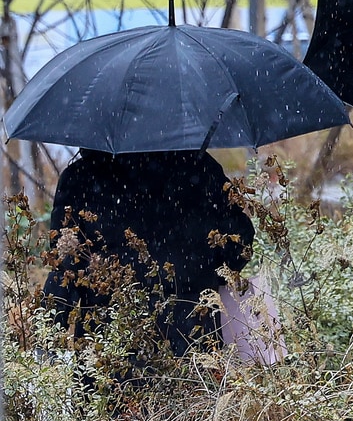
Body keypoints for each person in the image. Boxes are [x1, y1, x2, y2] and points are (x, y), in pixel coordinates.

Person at [43, 148, 256, 359]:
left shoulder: (81, 178)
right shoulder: (199, 168)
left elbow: (65, 268)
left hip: (109, 346)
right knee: (195, 391)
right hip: (191, 334)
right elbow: (239, 246)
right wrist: (200, 272)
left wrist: (47, 340)